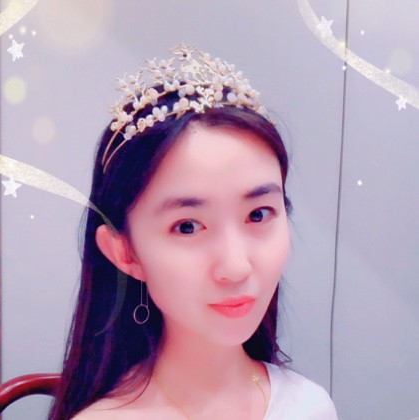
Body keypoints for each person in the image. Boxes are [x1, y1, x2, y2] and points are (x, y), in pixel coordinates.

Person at [49, 44, 338, 419]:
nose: (235, 267)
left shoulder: (309, 406)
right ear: (125, 252)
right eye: (187, 226)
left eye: (258, 214)